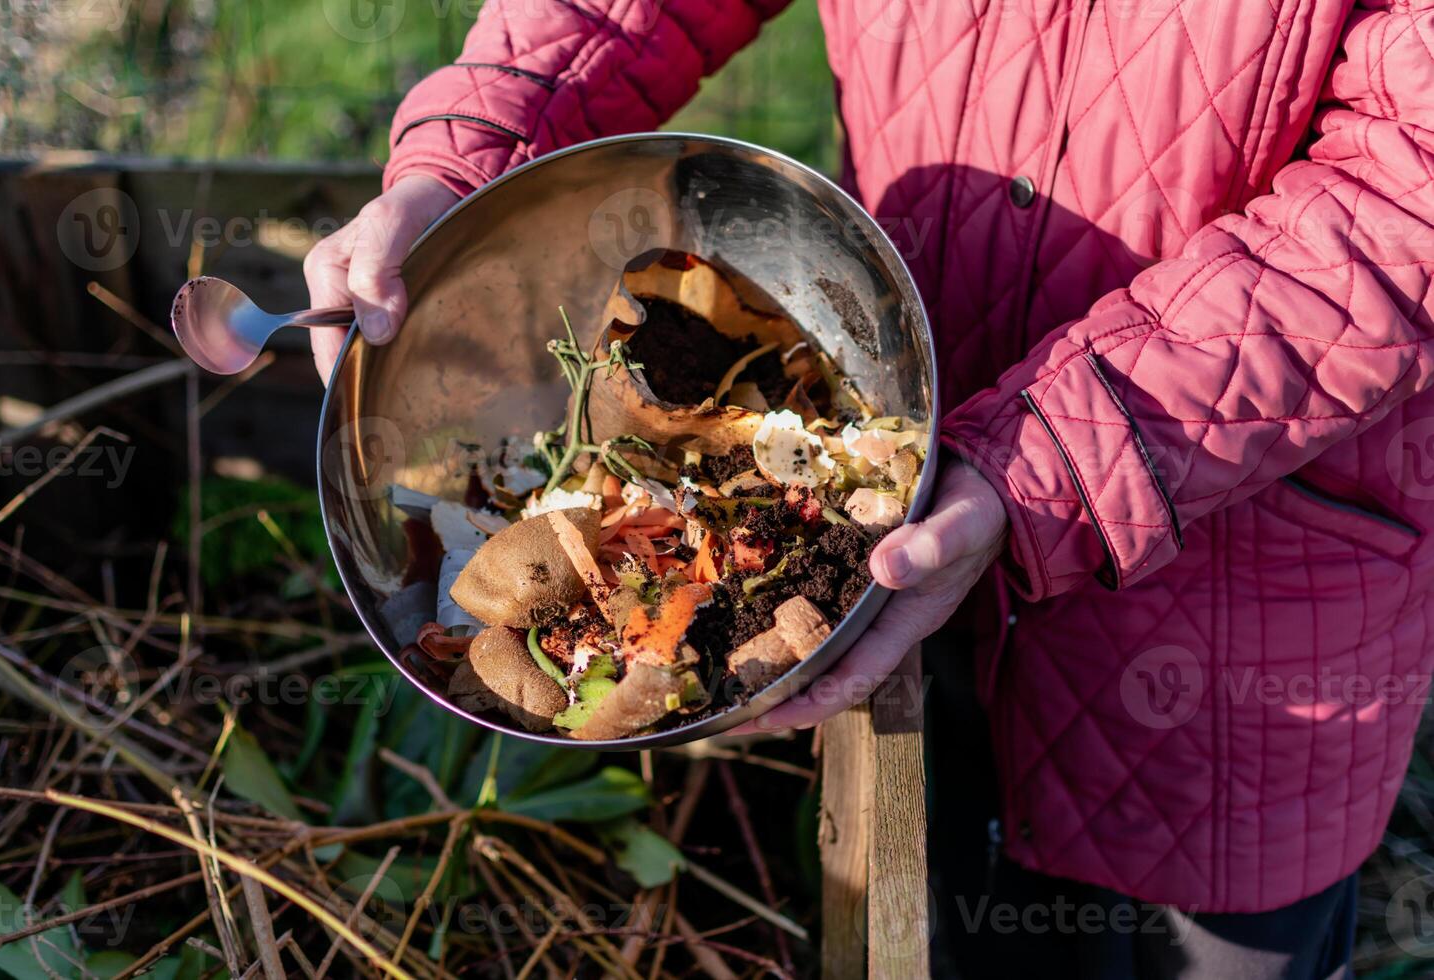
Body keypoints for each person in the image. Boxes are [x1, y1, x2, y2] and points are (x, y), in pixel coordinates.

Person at [304, 2, 1434, 976]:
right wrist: (474, 165)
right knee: (937, 913)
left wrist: (1048, 463)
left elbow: (1407, 196)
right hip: (893, 487)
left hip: (1241, 614)